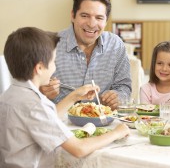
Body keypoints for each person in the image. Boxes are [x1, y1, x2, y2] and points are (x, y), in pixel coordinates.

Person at [0, 27, 130, 168]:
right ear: (39, 68)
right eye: (53, 62)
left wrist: (74, 96)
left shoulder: (10, 95)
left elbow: (47, 119)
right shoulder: (35, 105)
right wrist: (116, 133)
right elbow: (79, 149)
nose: (54, 67)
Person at [40, 0, 131, 110]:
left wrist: (119, 97)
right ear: (73, 15)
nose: (91, 24)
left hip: (103, 122)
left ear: (106, 21)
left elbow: (124, 86)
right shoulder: (51, 44)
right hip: (60, 122)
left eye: (99, 18)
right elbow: (32, 91)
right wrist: (43, 91)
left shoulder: (116, 45)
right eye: (85, 15)